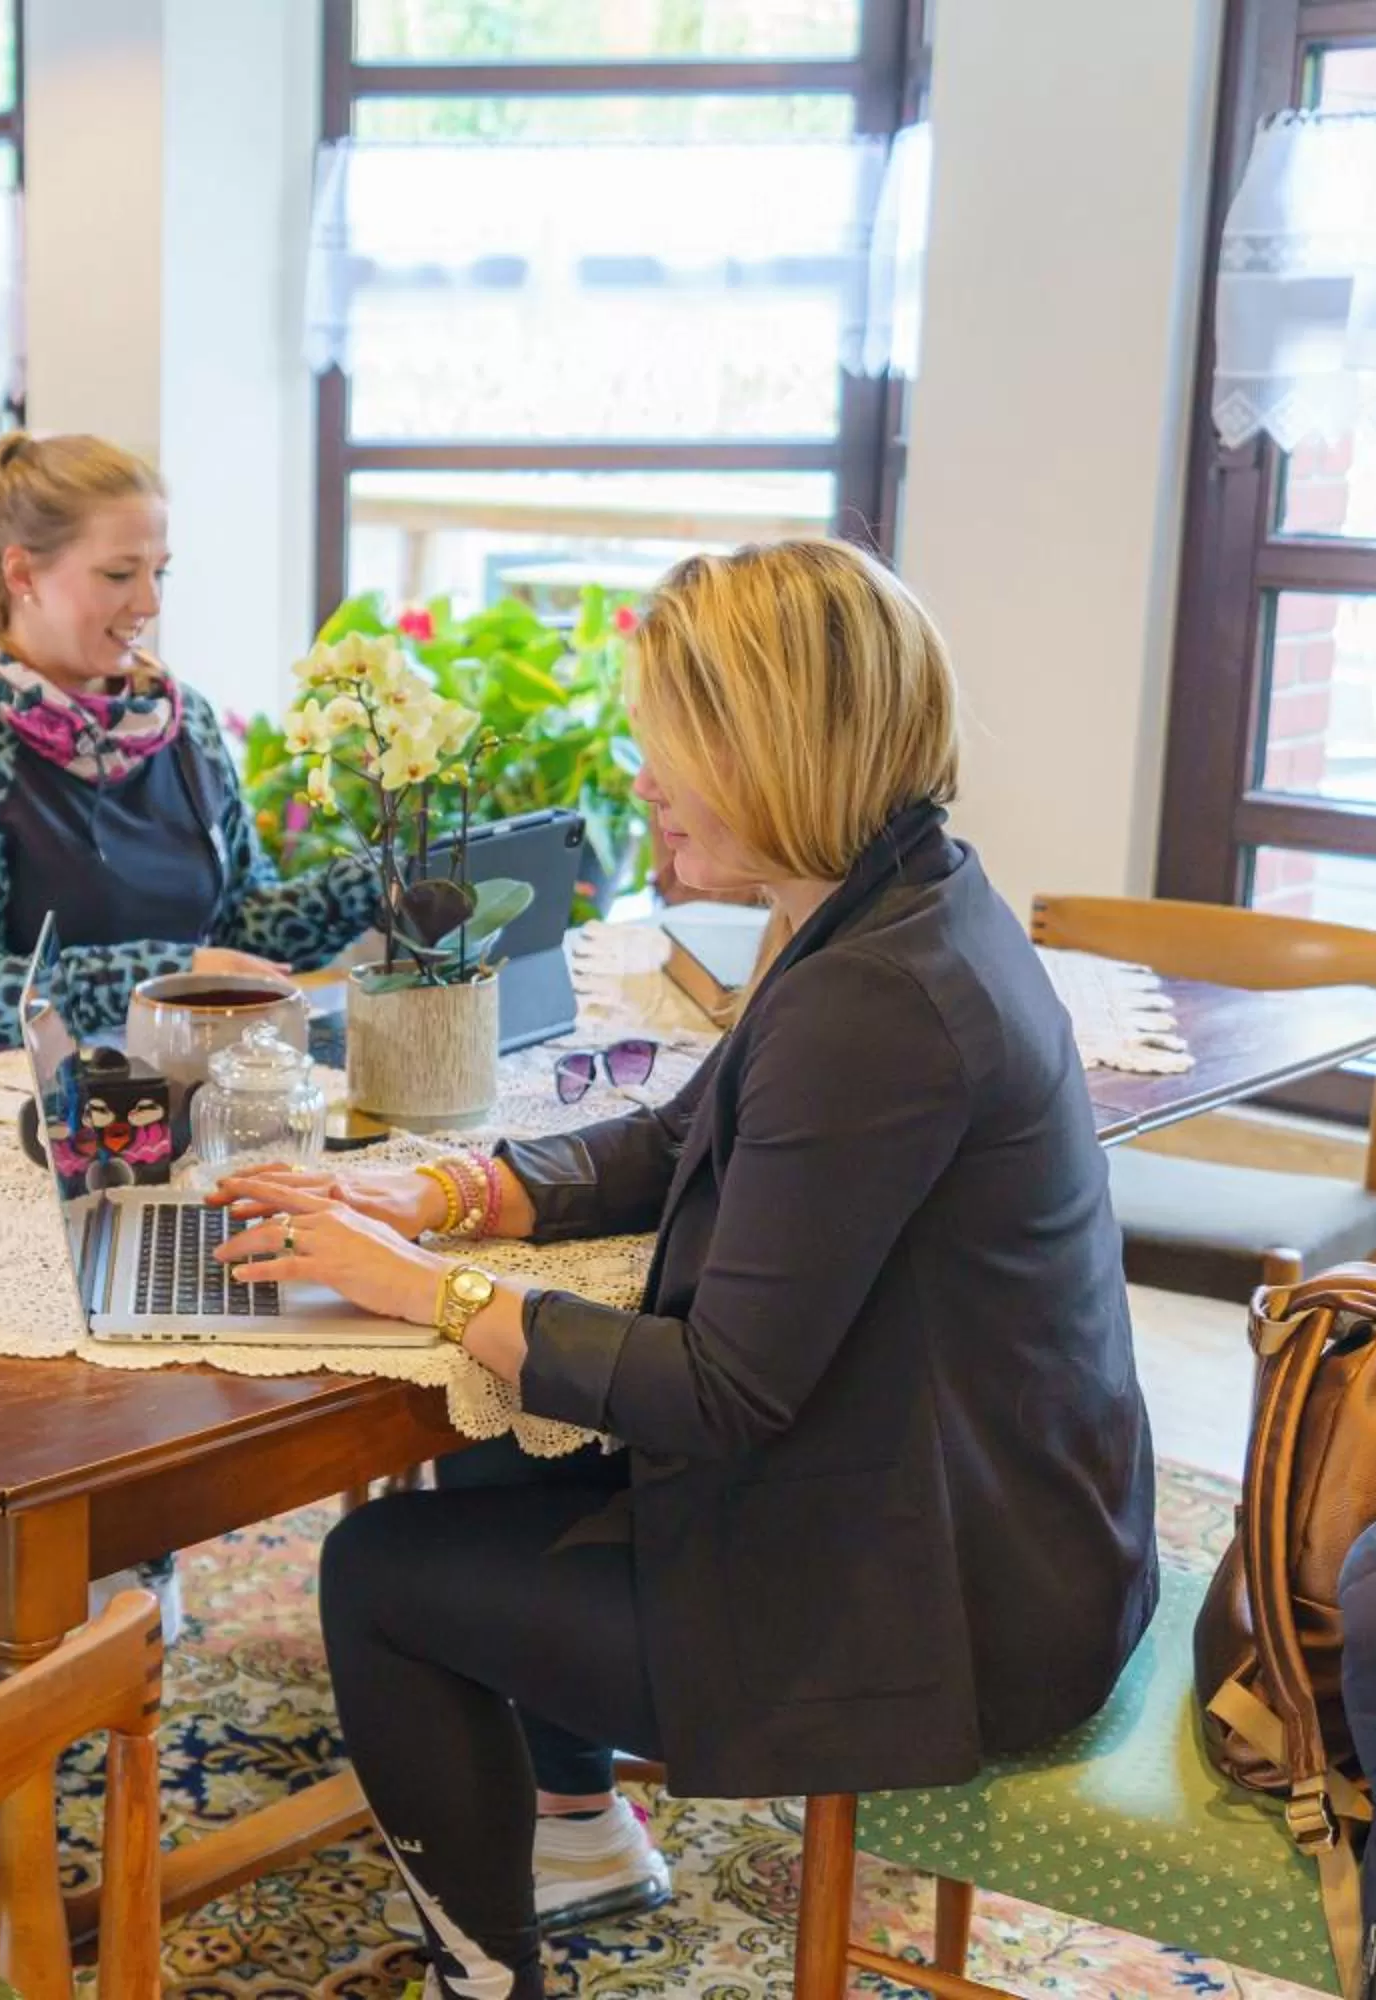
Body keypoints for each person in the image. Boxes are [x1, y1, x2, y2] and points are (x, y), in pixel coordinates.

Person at [212, 540, 1158, 1999]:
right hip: (981, 1518)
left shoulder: (876, 1002)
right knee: (494, 1443)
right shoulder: (888, 906)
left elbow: (719, 1392)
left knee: (377, 1570)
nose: (644, 773)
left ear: (777, 748)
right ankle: (580, 1833)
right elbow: (686, 1131)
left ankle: (488, 1975)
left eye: (672, 741)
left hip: (955, 1609)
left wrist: (420, 1283)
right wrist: (449, 1184)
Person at [0, 431, 381, 1053]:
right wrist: (168, 978)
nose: (149, 602)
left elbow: (241, 928)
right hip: (32, 1109)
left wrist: (373, 884)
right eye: (119, 574)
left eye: (158, 571)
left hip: (196, 1080)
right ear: (22, 573)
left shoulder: (180, 720)